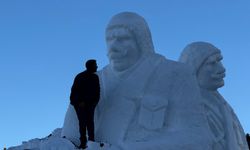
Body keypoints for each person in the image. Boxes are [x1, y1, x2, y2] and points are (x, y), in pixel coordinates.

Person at [94, 12, 213, 150]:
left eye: (123, 38)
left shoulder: (175, 74)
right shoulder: (94, 80)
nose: (113, 47)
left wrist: (131, 148)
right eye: (109, 39)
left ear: (141, 41)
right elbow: (71, 136)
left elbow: (198, 138)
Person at [179, 41, 249, 150]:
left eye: (219, 61)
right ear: (194, 68)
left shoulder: (225, 107)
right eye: (212, 63)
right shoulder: (182, 107)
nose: (222, 69)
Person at [70, 59, 100, 149]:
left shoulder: (95, 77)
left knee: (90, 122)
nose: (97, 66)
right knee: (83, 123)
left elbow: (97, 91)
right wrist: (79, 102)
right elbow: (74, 92)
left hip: (90, 104)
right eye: (95, 65)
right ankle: (83, 143)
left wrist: (94, 102)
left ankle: (91, 142)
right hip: (80, 105)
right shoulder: (80, 76)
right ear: (90, 66)